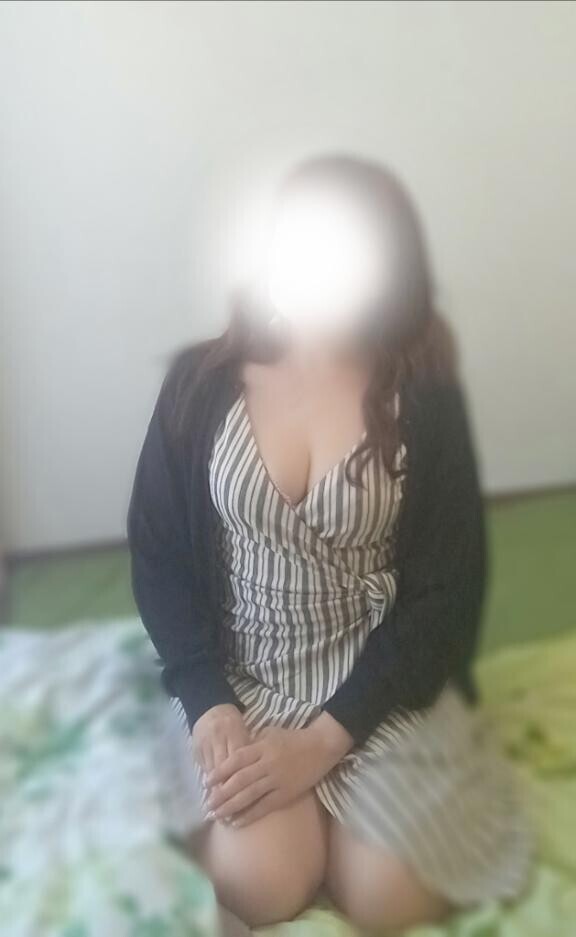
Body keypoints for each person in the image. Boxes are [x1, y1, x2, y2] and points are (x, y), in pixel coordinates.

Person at [127, 155, 533, 930]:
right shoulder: (200, 382)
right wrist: (207, 700)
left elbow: (448, 592)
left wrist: (322, 742)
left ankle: (349, 822)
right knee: (264, 882)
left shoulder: (424, 392)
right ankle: (301, 829)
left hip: (379, 682)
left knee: (387, 898)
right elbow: (159, 553)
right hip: (240, 673)